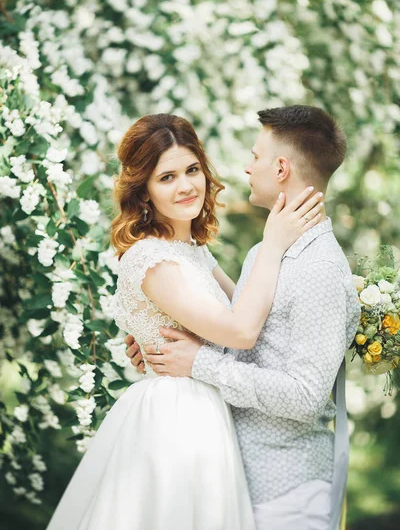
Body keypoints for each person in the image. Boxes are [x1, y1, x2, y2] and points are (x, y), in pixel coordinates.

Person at [47, 113, 322, 530]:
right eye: (167, 177)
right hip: (173, 419)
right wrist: (274, 242)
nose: (186, 185)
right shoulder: (150, 258)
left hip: (205, 413)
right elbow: (241, 332)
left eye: (192, 170)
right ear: (144, 191)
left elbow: (252, 318)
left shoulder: (192, 252)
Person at [126, 106, 361, 530]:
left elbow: (306, 396)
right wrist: (158, 339)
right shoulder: (263, 253)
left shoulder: (319, 268)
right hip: (231, 474)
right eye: (167, 177)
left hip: (287, 488)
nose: (247, 167)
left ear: (282, 167)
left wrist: (199, 363)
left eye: (255, 156)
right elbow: (234, 336)